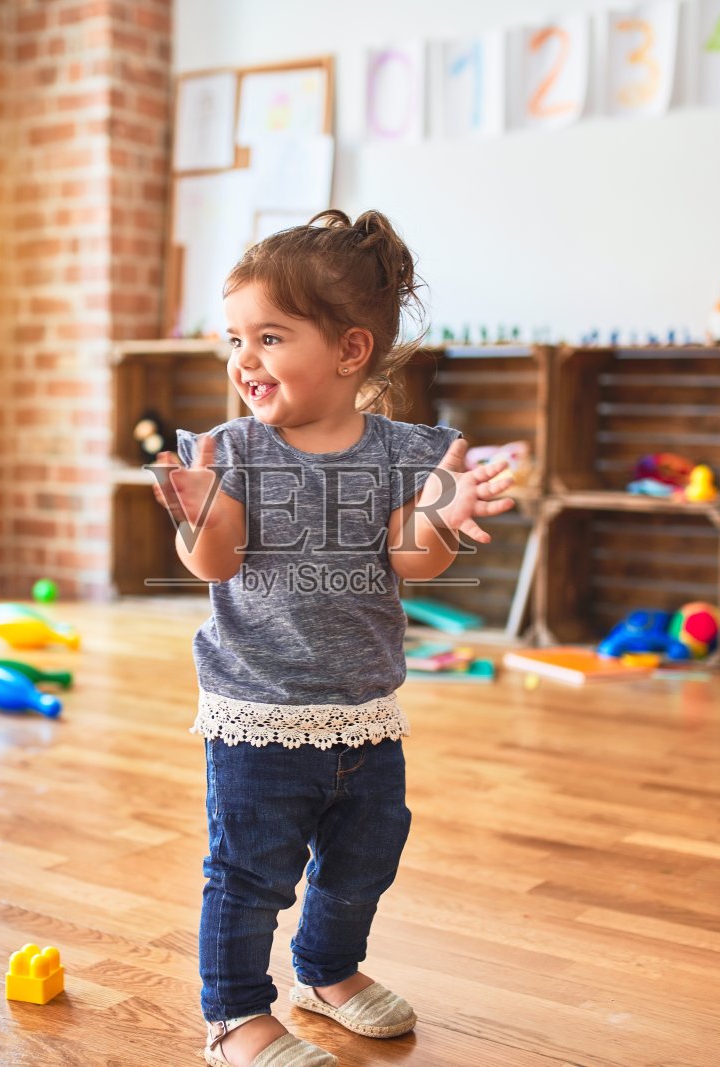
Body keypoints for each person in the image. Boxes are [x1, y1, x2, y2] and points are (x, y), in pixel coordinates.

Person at [151, 209, 515, 1067]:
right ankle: (235, 1012)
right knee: (250, 874)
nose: (244, 360)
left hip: (363, 710)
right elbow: (219, 557)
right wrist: (197, 506)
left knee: (365, 856)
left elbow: (411, 560)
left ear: (351, 351)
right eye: (234, 338)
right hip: (259, 711)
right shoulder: (230, 451)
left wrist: (442, 512)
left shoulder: (405, 452)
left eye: (270, 337)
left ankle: (329, 970)